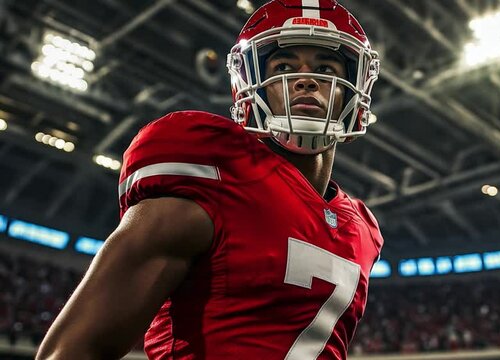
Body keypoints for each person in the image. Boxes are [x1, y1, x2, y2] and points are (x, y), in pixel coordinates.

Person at [36, 0, 383, 359]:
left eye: (326, 67)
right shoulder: (215, 172)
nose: (306, 79)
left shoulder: (362, 229)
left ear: (354, 89)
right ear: (253, 86)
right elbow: (72, 350)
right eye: (284, 66)